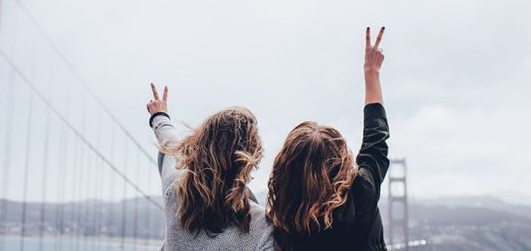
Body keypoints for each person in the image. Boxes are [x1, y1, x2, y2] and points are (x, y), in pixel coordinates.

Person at [266, 27, 390, 251]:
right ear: (340, 161)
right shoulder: (362, 194)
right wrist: (372, 73)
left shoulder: (284, 218)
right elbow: (376, 142)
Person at [146, 83, 273, 251]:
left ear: (199, 145)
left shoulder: (175, 191)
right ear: (253, 157)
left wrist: (159, 116)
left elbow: (171, 144)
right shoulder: (264, 228)